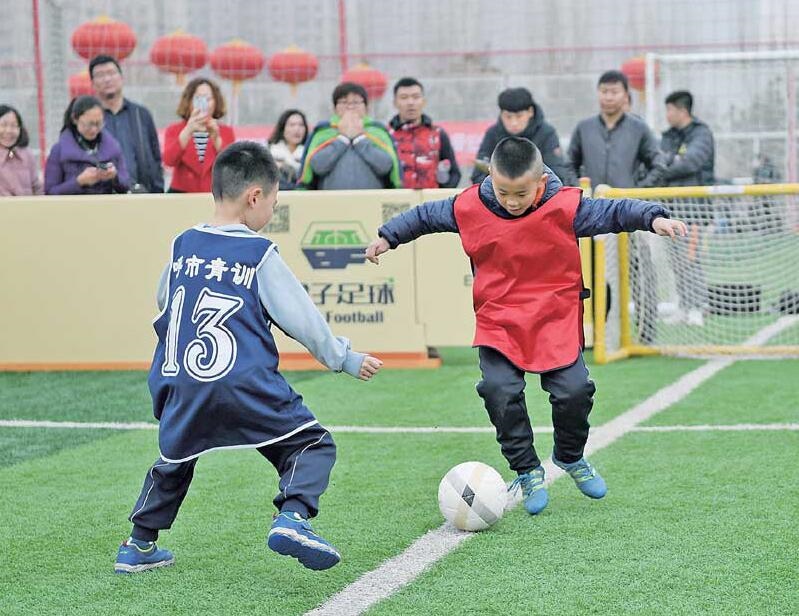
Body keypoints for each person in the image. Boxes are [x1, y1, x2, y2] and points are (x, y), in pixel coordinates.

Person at [365, 137, 686, 516]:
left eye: (521, 193)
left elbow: (615, 212)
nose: (512, 202)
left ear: (540, 181)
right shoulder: (469, 205)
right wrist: (388, 236)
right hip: (499, 317)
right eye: (503, 192)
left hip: (554, 315)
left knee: (575, 391)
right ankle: (527, 469)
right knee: (498, 389)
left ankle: (570, 456)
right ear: (491, 177)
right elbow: (424, 217)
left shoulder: (565, 206)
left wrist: (654, 218)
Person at [115, 141, 383, 575]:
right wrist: (344, 358)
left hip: (182, 379)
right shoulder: (259, 254)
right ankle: (292, 518)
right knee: (312, 445)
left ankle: (138, 544)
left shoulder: (183, 244)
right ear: (254, 197)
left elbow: (164, 301)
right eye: (274, 202)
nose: (272, 212)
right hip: (244, 381)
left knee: (175, 459)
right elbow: (302, 318)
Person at [658, 90, 716, 327]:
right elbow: (658, 160)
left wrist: (667, 165)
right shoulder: (668, 136)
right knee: (676, 262)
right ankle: (683, 306)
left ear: (682, 110)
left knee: (691, 259)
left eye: (669, 109)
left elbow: (690, 163)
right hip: (671, 208)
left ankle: (697, 307)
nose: (667, 114)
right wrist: (670, 163)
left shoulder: (701, 133)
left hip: (694, 210)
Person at [568, 70, 666, 189]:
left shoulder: (639, 129)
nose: (608, 97)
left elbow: (659, 166)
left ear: (626, 95)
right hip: (591, 199)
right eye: (604, 92)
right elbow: (569, 165)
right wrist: (579, 190)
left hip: (626, 199)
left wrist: (638, 192)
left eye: (615, 92)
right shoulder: (584, 128)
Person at [298, 82, 402, 190]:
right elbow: (317, 166)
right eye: (344, 102)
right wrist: (342, 139)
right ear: (335, 108)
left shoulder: (378, 131)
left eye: (356, 102)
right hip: (331, 199)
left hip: (372, 199)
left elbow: (385, 166)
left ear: (366, 108)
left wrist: (359, 139)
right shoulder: (323, 132)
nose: (350, 107)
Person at [90, 54, 164, 193]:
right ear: (92, 83)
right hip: (102, 196)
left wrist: (157, 191)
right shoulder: (88, 119)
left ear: (121, 77)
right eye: (100, 75)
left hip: (140, 194)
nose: (107, 79)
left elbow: (155, 157)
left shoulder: (140, 114)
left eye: (111, 73)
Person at [472, 87, 575, 186]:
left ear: (530, 112)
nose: (514, 123)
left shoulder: (546, 133)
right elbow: (478, 175)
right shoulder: (493, 134)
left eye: (519, 116)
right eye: (508, 117)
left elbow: (557, 173)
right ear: (501, 114)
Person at [44, 95, 129, 195]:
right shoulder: (59, 150)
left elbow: (126, 185)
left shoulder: (113, 148)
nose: (94, 129)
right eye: (89, 124)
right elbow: (50, 192)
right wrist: (79, 182)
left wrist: (114, 177)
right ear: (75, 119)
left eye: (98, 124)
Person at [163, 78, 235, 193]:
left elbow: (232, 164)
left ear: (216, 101)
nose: (204, 103)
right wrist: (188, 131)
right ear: (189, 101)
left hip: (215, 194)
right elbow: (168, 160)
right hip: (182, 194)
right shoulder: (175, 130)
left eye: (208, 98)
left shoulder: (226, 131)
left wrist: (216, 139)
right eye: (198, 98)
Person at [388, 77, 461, 189]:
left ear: (423, 101)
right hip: (397, 199)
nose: (410, 102)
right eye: (404, 97)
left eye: (416, 97)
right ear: (395, 103)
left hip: (432, 198)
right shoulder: (387, 135)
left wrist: (442, 194)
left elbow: (454, 173)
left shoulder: (437, 134)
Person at [0, 104, 43, 196]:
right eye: (3, 125)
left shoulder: (27, 155)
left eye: (14, 126)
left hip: (28, 205)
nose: (8, 130)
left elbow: (37, 188)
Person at [268, 108, 308, 190]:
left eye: (301, 125)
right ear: (283, 128)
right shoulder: (270, 153)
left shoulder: (310, 153)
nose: (297, 129)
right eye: (292, 125)